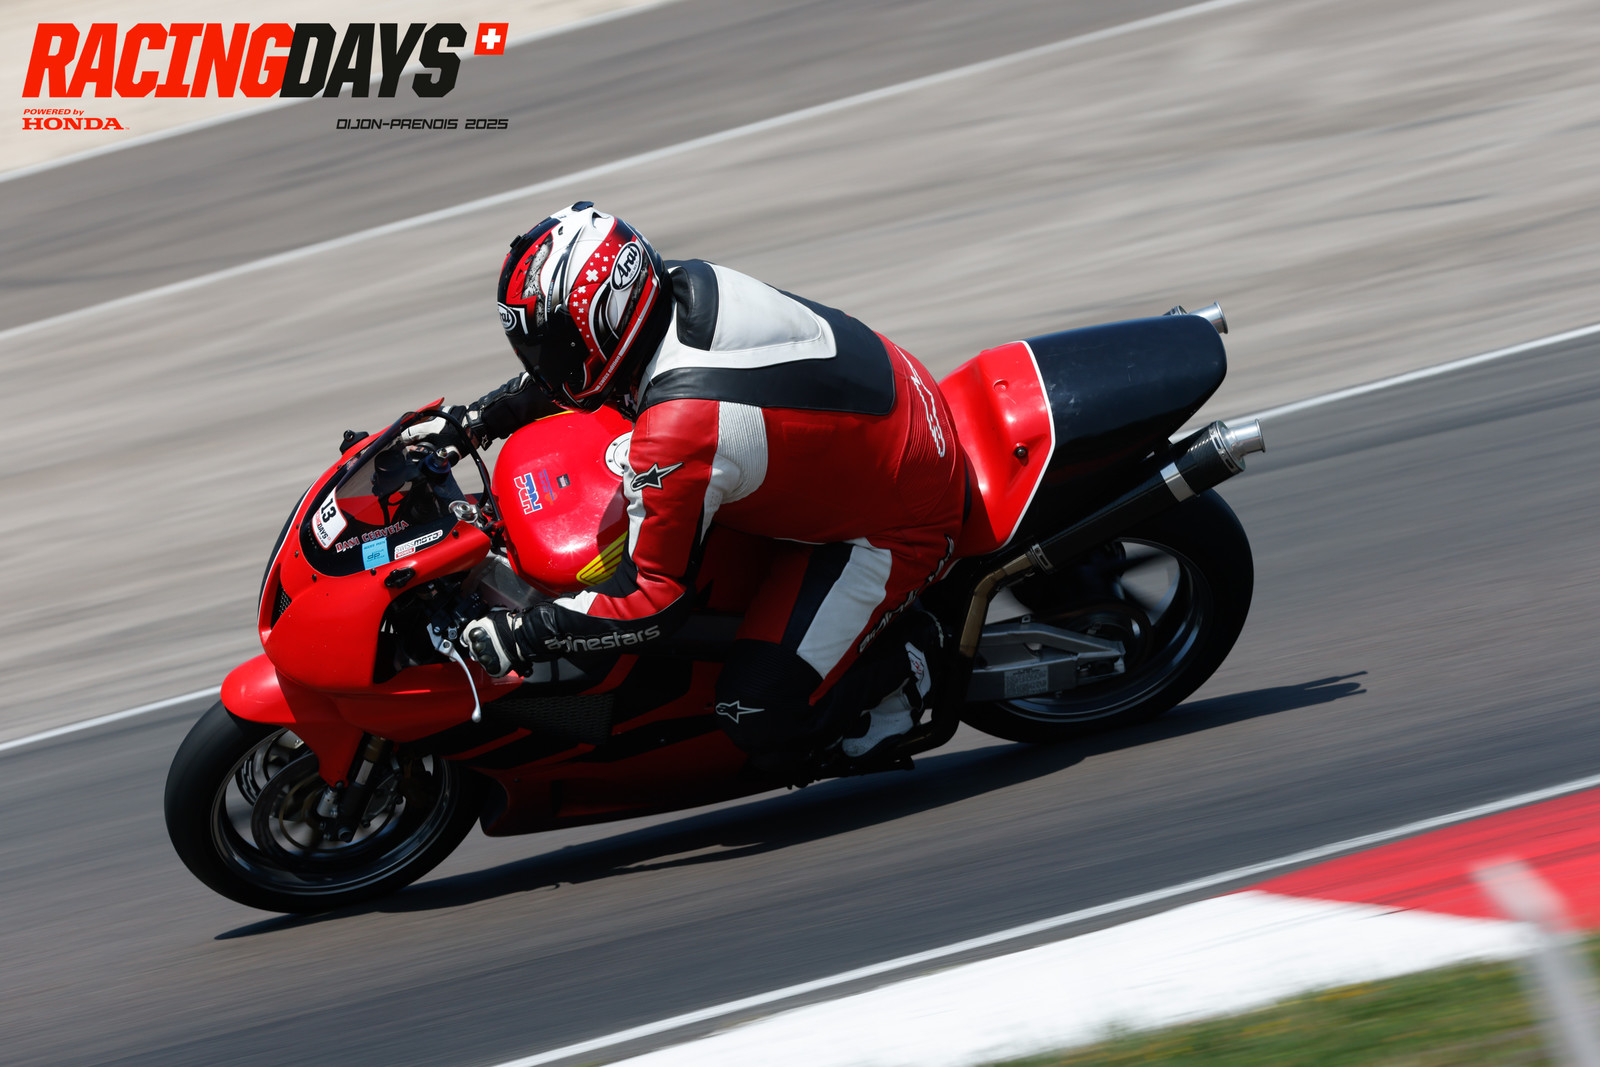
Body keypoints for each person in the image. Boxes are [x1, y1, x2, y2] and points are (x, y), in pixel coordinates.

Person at [457, 202, 965, 774]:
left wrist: (527, 632)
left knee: (757, 711)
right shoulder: (679, 285)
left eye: (552, 347)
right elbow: (585, 374)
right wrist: (479, 420)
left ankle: (918, 655)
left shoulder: (680, 426)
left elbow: (650, 600)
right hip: (895, 400)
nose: (543, 364)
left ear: (604, 318)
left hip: (903, 519)